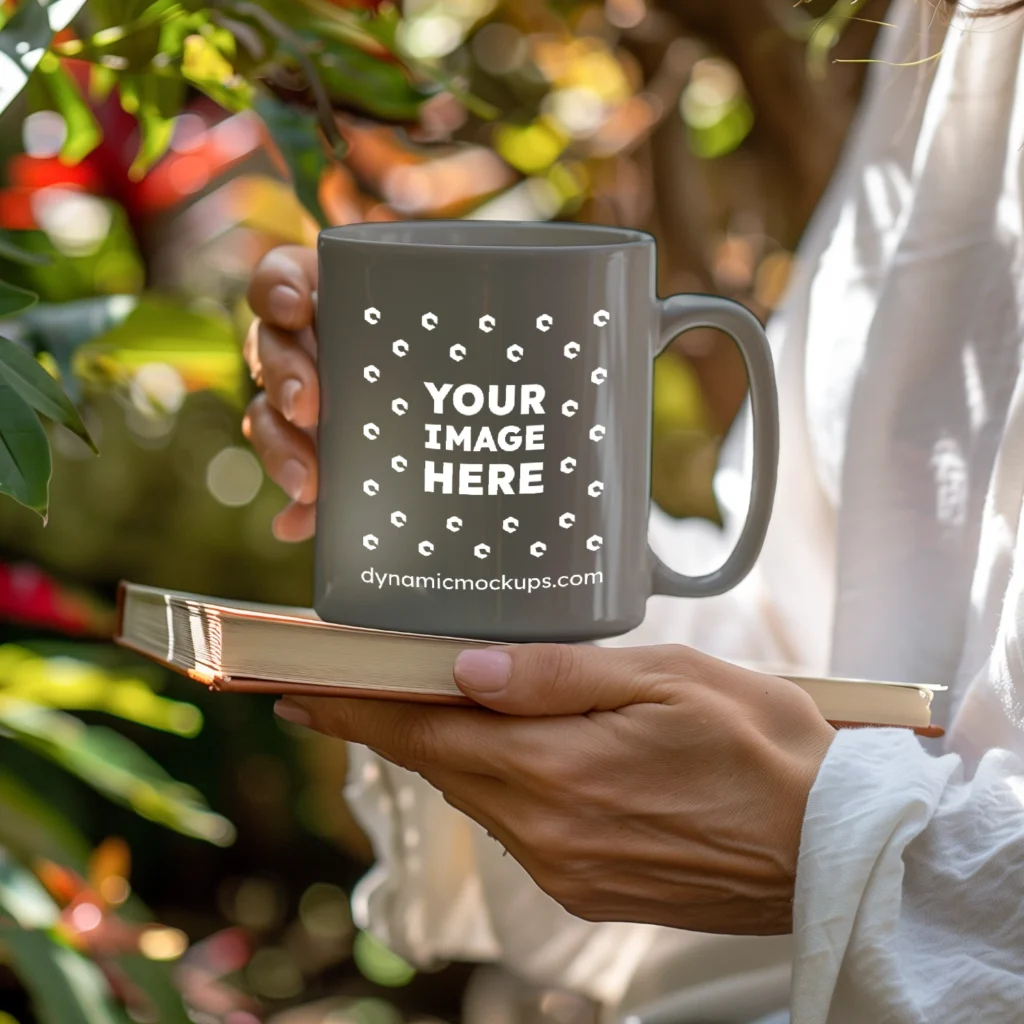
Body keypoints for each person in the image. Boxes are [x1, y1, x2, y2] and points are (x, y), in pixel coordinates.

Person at [241, 1, 1024, 1020]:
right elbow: (837, 650)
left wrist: (840, 847)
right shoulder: (954, 37)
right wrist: (452, 508)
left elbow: (864, 785)